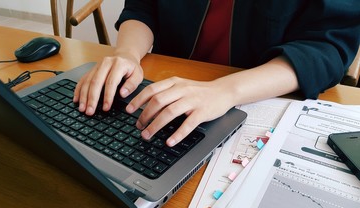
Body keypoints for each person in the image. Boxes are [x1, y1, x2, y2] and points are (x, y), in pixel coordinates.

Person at [73, 0, 360, 147]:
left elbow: (327, 47)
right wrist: (127, 53)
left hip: (256, 98)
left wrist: (225, 90)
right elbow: (143, 7)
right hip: (164, 86)